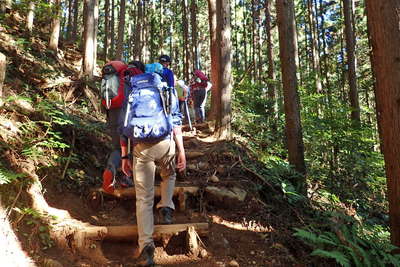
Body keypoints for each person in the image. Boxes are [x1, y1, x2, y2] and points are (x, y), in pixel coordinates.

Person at [120, 63, 186, 266]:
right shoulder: (166, 90)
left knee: (144, 199)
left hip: (141, 147)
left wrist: (124, 157)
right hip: (165, 144)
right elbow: (175, 123)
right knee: (170, 175)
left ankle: (146, 247)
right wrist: (181, 151)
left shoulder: (133, 90)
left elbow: (123, 128)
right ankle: (166, 207)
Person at [101, 61, 144, 194]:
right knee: (131, 147)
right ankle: (127, 178)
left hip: (112, 116)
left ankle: (110, 168)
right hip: (127, 119)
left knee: (117, 148)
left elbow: (104, 104)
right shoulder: (135, 79)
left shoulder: (112, 80)